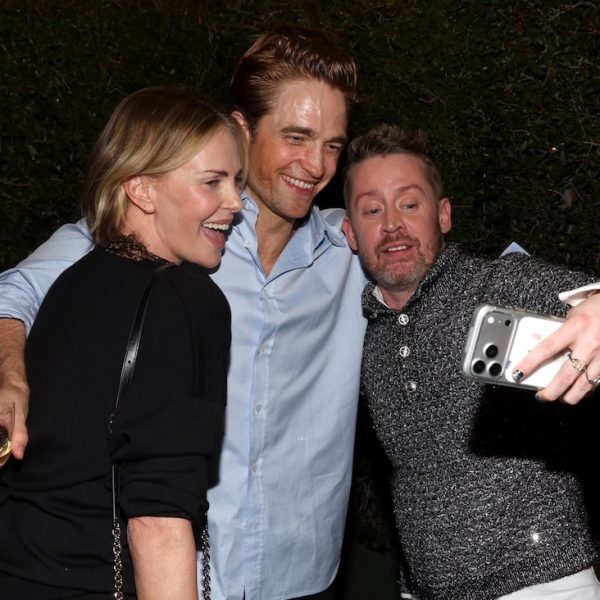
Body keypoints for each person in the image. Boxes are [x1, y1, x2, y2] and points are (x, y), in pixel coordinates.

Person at [0, 25, 600, 600]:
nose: (316, 165)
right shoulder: (172, 231)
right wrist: (10, 372)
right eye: (296, 137)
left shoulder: (352, 250)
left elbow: (475, 275)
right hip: (185, 571)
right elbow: (19, 288)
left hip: (301, 577)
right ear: (241, 129)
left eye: (332, 144)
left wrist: (589, 305)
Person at [0, 86, 245, 598]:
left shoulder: (72, 282)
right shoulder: (186, 297)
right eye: (212, 182)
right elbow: (157, 521)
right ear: (142, 190)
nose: (235, 203)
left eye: (236, 181)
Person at [341, 123, 600, 600]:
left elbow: (580, 298)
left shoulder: (498, 286)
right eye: (372, 210)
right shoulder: (362, 332)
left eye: (409, 204)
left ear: (443, 215)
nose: (392, 224)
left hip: (544, 585)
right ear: (351, 234)